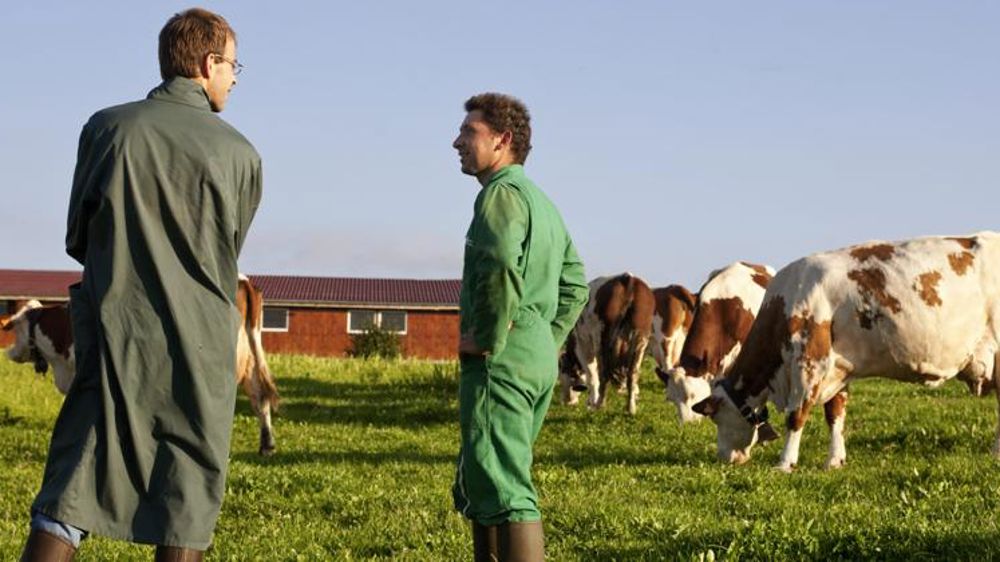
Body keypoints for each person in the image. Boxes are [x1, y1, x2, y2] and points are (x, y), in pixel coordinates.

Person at [20, 8, 261, 561]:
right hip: (199, 356)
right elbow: (226, 253)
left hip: (114, 338)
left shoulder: (106, 129)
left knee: (72, 486)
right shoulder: (242, 155)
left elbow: (78, 237)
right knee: (186, 505)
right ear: (209, 63)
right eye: (234, 66)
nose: (234, 78)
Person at [451, 93, 589, 561]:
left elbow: (499, 263)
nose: (457, 142)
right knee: (488, 476)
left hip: (502, 357)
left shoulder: (500, 195)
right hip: (533, 356)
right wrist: (545, 340)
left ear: (502, 140)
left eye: (469, 132)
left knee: (506, 485)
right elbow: (575, 284)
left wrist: (489, 337)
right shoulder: (541, 203)